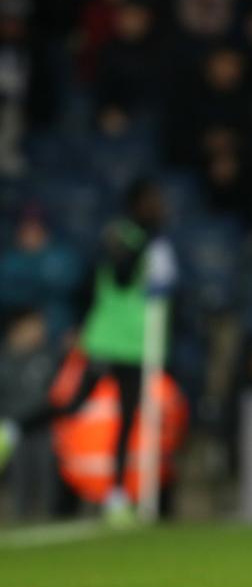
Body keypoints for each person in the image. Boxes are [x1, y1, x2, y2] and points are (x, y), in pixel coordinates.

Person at [0, 178, 177, 526]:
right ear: (138, 203)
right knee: (70, 403)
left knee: (128, 420)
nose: (160, 206)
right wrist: (149, 251)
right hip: (106, 340)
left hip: (137, 345)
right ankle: (12, 428)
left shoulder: (157, 243)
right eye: (153, 200)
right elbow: (121, 274)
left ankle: (115, 496)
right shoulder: (123, 234)